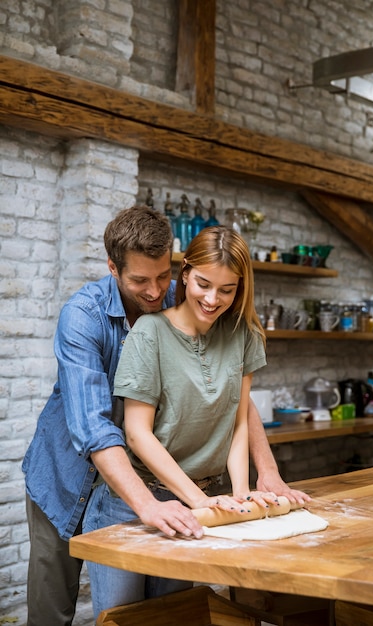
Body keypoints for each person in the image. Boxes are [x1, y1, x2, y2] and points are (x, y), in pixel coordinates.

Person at [22, 205, 308, 626]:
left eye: (162, 276)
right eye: (140, 280)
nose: (156, 291)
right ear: (113, 268)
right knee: (52, 613)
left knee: (158, 616)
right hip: (68, 476)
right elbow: (95, 429)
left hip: (151, 480)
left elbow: (232, 395)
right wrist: (149, 505)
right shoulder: (84, 317)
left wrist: (265, 472)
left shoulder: (192, 294)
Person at [84, 225, 282, 617]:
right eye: (204, 284)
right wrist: (199, 501)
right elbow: (138, 435)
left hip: (198, 506)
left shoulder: (244, 334)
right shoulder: (149, 332)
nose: (213, 299)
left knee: (174, 617)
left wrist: (241, 491)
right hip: (133, 506)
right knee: (123, 621)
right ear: (185, 272)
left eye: (227, 290)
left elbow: (238, 420)